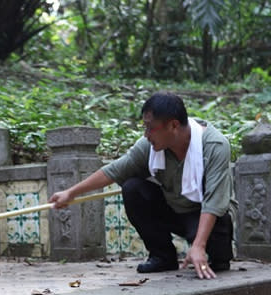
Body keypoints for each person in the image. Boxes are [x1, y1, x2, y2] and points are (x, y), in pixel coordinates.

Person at [49, 92, 235, 279]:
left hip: (206, 215)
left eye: (150, 128)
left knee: (217, 259)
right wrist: (71, 193)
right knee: (133, 188)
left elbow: (214, 201)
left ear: (173, 125)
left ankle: (211, 252)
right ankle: (162, 257)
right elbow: (114, 171)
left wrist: (198, 245)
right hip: (175, 210)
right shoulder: (150, 146)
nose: (146, 135)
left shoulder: (214, 145)